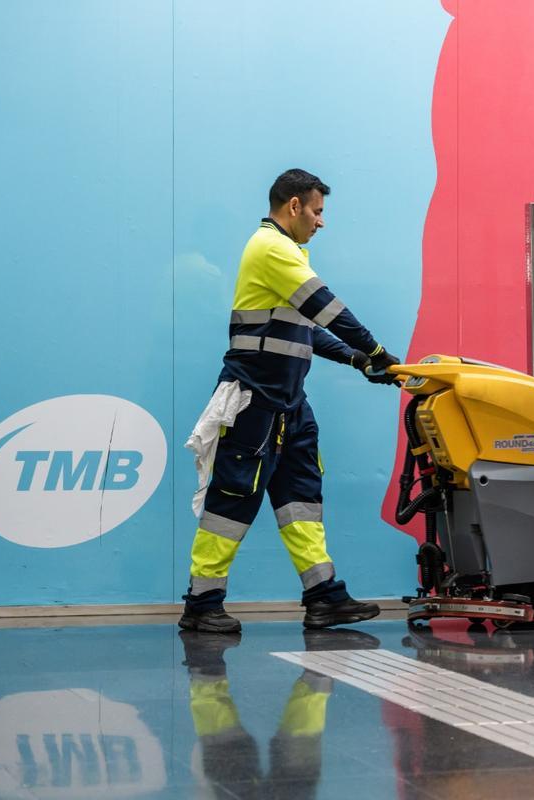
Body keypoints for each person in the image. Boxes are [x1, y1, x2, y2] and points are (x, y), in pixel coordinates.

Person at [180, 168, 400, 634]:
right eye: (317, 211)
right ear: (294, 206)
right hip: (253, 403)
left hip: (289, 405)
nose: (321, 222)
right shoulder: (272, 248)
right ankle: (202, 605)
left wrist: (358, 361)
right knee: (231, 503)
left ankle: (323, 596)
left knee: (302, 500)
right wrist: (378, 351)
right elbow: (329, 310)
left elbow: (306, 331)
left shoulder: (288, 253)